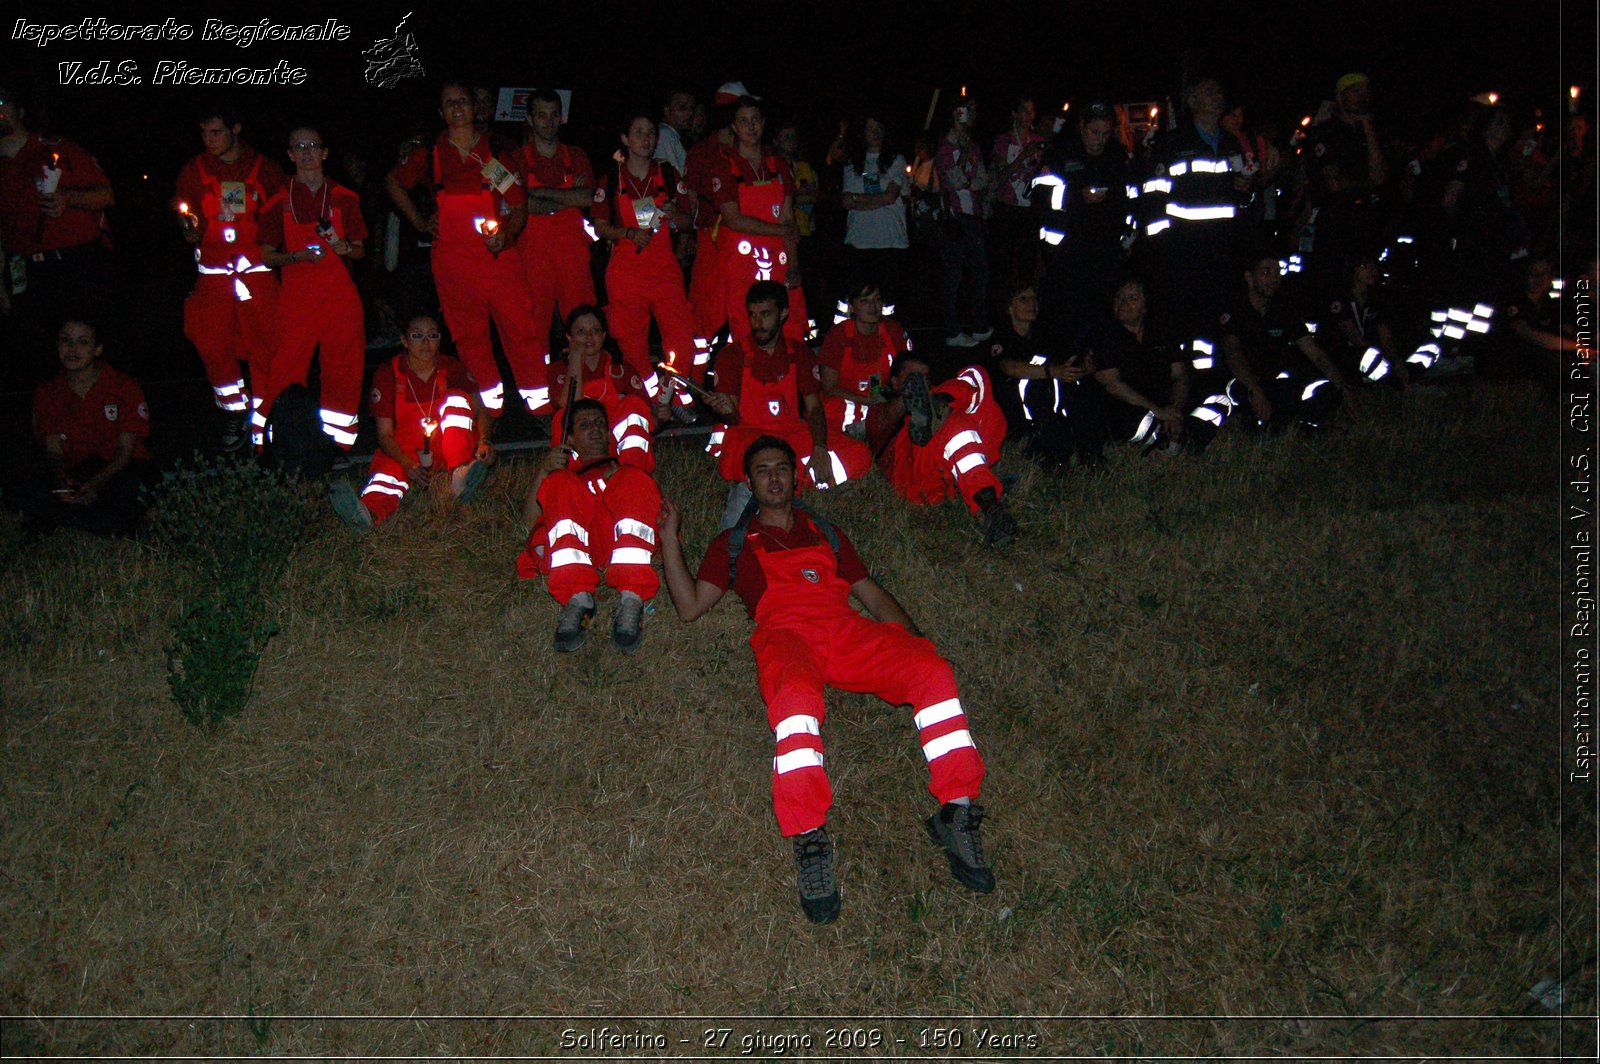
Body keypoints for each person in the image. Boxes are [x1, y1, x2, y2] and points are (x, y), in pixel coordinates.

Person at [659, 434, 995, 924]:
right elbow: (689, 608)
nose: (773, 477)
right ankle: (810, 839)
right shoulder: (734, 543)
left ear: (796, 477)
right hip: (787, 637)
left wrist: (916, 642)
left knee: (934, 674)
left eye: (781, 468)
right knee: (795, 705)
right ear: (749, 482)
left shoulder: (825, 530)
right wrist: (670, 539)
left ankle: (957, 811)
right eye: (762, 470)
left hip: (844, 630)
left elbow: (870, 593)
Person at [386, 80, 545, 417]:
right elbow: (393, 182)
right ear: (441, 112)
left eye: (463, 101)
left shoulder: (496, 152)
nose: (457, 108)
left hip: (497, 259)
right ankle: (491, 411)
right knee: (469, 338)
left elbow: (519, 207)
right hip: (453, 263)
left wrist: (506, 235)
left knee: (521, 329)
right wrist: (418, 221)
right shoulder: (430, 153)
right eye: (449, 103)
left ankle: (541, 407)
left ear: (475, 108)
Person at [705, 281, 869, 519]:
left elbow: (814, 408)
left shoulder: (799, 353)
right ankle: (796, 481)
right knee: (754, 456)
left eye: (765, 315)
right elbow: (733, 418)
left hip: (791, 432)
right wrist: (725, 410)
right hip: (750, 434)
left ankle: (780, 481)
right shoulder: (732, 355)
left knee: (859, 455)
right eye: (752, 315)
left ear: (783, 314)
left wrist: (820, 448)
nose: (758, 323)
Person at [172, 105, 282, 450]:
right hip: (215, 277)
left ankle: (267, 418)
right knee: (214, 345)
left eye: (216, 132)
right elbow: (186, 214)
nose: (209, 140)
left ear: (236, 127)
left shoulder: (265, 168)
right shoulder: (194, 170)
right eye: (204, 133)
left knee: (268, 347)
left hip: (256, 275)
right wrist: (189, 229)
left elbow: (280, 216)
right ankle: (235, 412)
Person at [255, 126, 368, 452]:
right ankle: (273, 443)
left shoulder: (346, 198)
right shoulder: (279, 200)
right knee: (285, 369)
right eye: (298, 146)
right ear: (290, 155)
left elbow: (360, 248)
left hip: (339, 297)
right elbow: (265, 255)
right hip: (296, 298)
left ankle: (338, 445)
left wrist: (346, 248)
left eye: (312, 145)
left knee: (345, 369)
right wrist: (296, 256)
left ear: (324, 152)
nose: (306, 152)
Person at [518, 397, 660, 654]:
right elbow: (530, 522)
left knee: (634, 478)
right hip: (582, 547)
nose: (594, 429)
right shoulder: (566, 476)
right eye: (584, 425)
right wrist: (544, 472)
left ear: (609, 433)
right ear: (570, 438)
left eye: (599, 424)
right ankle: (579, 600)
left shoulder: (624, 469)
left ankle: (632, 598)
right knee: (559, 483)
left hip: (618, 542)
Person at [0, 85, 116, 391]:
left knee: (93, 352)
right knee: (41, 361)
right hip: (28, 273)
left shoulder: (56, 149)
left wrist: (68, 198)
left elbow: (107, 194)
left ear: (19, 111)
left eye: (3, 102)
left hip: (78, 264)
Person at [330, 314, 492, 531]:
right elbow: (384, 435)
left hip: (447, 445)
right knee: (388, 475)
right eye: (417, 336)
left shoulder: (451, 367)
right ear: (404, 340)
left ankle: (460, 475)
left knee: (457, 397)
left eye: (432, 336)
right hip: (405, 451)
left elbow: (482, 409)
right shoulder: (388, 373)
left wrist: (484, 441)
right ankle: (367, 512)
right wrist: (408, 465)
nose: (426, 343)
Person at [591, 111, 698, 418]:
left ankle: (674, 396)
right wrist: (626, 233)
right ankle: (652, 396)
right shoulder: (612, 176)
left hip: (663, 267)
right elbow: (599, 225)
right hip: (626, 268)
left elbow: (686, 222)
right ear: (625, 139)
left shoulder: (667, 173)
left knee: (681, 336)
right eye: (638, 133)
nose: (646, 139)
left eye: (650, 133)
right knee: (630, 339)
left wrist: (671, 212)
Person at [1141, 77, 1247, 356]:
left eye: (1218, 92)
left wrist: (1246, 190)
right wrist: (1162, 243)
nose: (1216, 97)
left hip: (1221, 247)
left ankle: (1209, 381)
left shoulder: (1230, 142)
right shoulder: (1173, 143)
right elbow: (1154, 193)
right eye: (1208, 92)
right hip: (1183, 247)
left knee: (1215, 317)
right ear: (1192, 101)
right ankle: (1179, 375)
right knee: (1181, 316)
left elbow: (1241, 194)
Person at [17, 319, 151, 537]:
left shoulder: (123, 385)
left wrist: (97, 483)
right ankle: (89, 519)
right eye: (66, 341)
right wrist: (62, 481)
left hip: (117, 469)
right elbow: (53, 450)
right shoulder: (47, 392)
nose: (73, 349)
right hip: (77, 471)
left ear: (97, 349)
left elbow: (125, 452)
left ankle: (70, 519)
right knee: (26, 487)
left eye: (82, 342)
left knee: (132, 489)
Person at [866, 358, 1019, 547]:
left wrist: (940, 398)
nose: (921, 382)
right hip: (912, 475)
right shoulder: (881, 407)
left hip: (947, 476)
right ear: (896, 382)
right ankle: (990, 507)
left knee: (976, 373)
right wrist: (913, 397)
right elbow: (881, 420)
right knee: (956, 426)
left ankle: (940, 402)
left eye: (925, 378)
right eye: (913, 378)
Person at [513, 89, 599, 412]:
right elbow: (519, 203)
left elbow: (589, 198)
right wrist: (566, 195)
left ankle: (589, 392)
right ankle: (539, 403)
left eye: (553, 114)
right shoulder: (517, 158)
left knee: (584, 326)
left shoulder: (577, 155)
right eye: (541, 115)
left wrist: (541, 195)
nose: (548, 121)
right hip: (532, 255)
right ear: (530, 119)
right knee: (532, 329)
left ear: (561, 117)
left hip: (572, 254)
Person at [1219, 253, 1356, 433]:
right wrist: (1255, 389)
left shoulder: (1283, 310)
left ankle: (1298, 423)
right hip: (1243, 382)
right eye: (1266, 272)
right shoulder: (1235, 309)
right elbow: (1232, 354)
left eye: (1277, 272)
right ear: (1249, 277)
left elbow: (1314, 352)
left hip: (1275, 381)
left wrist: (1343, 387)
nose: (1274, 279)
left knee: (1323, 388)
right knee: (1253, 402)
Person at [711, 96, 807, 346]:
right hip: (743, 264)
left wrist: (794, 264)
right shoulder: (725, 167)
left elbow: (789, 220)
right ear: (734, 127)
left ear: (763, 123)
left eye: (755, 120)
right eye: (744, 121)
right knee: (746, 328)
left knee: (791, 328)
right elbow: (734, 219)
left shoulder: (778, 164)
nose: (751, 126)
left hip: (779, 260)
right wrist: (778, 230)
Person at [1033, 102, 1134, 340]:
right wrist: (1076, 196)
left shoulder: (1117, 156)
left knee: (1102, 312)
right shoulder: (1061, 154)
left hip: (1106, 248)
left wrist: (1128, 235)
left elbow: (1129, 197)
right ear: (1082, 127)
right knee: (1069, 313)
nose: (1099, 139)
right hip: (1068, 249)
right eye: (1094, 132)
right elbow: (1040, 194)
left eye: (1106, 133)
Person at [1085, 277, 1207, 452]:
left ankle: (1181, 435)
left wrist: (1174, 409)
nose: (1123, 303)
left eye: (1132, 298)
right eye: (1119, 298)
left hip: (1163, 401)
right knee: (1138, 422)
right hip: (1128, 406)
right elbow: (1112, 385)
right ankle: (1169, 440)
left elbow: (1180, 374)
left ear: (1145, 307)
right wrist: (1158, 411)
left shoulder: (1160, 333)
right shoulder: (1105, 335)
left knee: (1213, 396)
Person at [986, 281, 1098, 466]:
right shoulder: (1001, 337)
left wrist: (1083, 367)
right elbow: (1010, 367)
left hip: (1043, 409)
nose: (1032, 304)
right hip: (1012, 414)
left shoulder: (1043, 335)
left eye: (1034, 299)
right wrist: (1052, 371)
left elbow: (1068, 361)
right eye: (1023, 299)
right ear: (1009, 308)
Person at [1300, 74, 1388, 291]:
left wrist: (1368, 129)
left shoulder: (1372, 132)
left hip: (1368, 218)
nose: (1362, 96)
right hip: (1335, 221)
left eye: (1365, 91)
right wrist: (1366, 184)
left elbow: (1381, 175)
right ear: (1341, 97)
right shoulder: (1326, 132)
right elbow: (1335, 183)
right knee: (1335, 283)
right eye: (1356, 91)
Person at [546, 306, 658, 472]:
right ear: (569, 337)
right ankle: (573, 477)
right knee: (563, 416)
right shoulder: (558, 370)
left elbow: (648, 419)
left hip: (616, 444)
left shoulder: (622, 370)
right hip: (581, 448)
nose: (589, 337)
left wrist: (661, 413)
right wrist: (575, 359)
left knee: (633, 404)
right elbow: (569, 404)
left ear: (604, 335)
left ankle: (632, 473)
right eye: (581, 331)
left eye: (596, 330)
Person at [816, 280, 909, 442]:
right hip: (845, 402)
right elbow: (829, 388)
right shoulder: (839, 336)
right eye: (864, 301)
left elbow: (908, 372)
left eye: (877, 300)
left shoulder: (893, 331)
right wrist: (866, 400)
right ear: (852, 307)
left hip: (883, 400)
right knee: (830, 412)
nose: (872, 307)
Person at [935, 98, 992, 347]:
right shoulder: (946, 148)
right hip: (955, 218)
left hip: (974, 217)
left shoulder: (974, 147)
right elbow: (954, 179)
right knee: (954, 277)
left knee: (980, 274)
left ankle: (979, 325)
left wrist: (968, 180)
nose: (969, 116)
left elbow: (982, 179)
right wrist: (965, 164)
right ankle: (952, 331)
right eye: (965, 111)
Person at [839, 114, 911, 307]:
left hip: (891, 241)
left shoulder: (897, 160)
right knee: (858, 302)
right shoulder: (852, 163)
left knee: (888, 304)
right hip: (859, 242)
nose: (875, 132)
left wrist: (858, 199)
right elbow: (846, 201)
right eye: (871, 128)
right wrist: (878, 199)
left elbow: (891, 196)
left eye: (879, 127)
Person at [989, 96, 1047, 287]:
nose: (1029, 115)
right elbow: (1000, 177)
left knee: (1027, 264)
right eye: (1024, 110)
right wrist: (1023, 156)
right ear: (1014, 114)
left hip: (1030, 210)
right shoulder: (1003, 140)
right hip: (1008, 209)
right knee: (1004, 265)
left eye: (1032, 110)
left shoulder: (1039, 140)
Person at [655, 89, 695, 173]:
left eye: (691, 108)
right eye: (682, 108)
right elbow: (676, 175)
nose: (690, 113)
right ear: (667, 110)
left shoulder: (673, 135)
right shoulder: (665, 135)